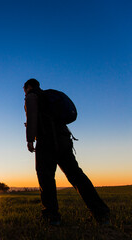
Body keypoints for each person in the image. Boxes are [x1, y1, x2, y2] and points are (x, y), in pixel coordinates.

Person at [23, 78, 110, 226]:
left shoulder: (32, 96)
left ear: (28, 87)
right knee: (77, 176)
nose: (24, 92)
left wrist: (30, 139)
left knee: (46, 178)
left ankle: (52, 217)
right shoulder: (51, 96)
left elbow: (31, 118)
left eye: (24, 89)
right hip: (64, 139)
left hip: (47, 141)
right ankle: (101, 214)